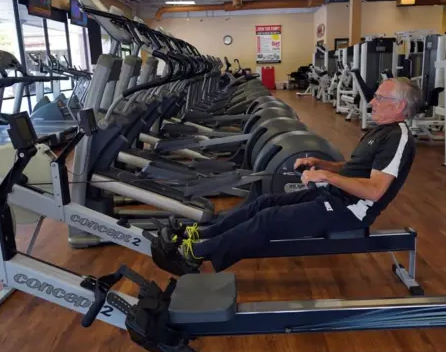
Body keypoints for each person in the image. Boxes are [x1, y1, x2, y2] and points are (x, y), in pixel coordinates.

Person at [161, 78, 420, 272]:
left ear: (399, 105)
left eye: (379, 98)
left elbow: (375, 190)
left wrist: (326, 177)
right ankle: (203, 234)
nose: (371, 102)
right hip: (336, 197)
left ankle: (193, 254)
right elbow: (356, 168)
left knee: (268, 219)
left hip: (350, 211)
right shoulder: (381, 131)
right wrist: (324, 165)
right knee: (264, 202)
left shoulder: (398, 137)